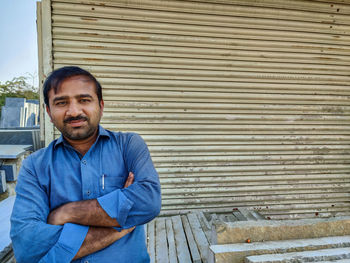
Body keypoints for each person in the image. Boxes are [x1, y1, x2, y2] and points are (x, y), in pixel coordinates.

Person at [10, 66, 161, 262]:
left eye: (84, 100)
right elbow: (27, 243)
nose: (73, 111)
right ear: (48, 111)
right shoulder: (35, 166)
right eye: (61, 102)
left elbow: (148, 202)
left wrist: (66, 212)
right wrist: (118, 228)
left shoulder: (129, 146)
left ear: (101, 105)